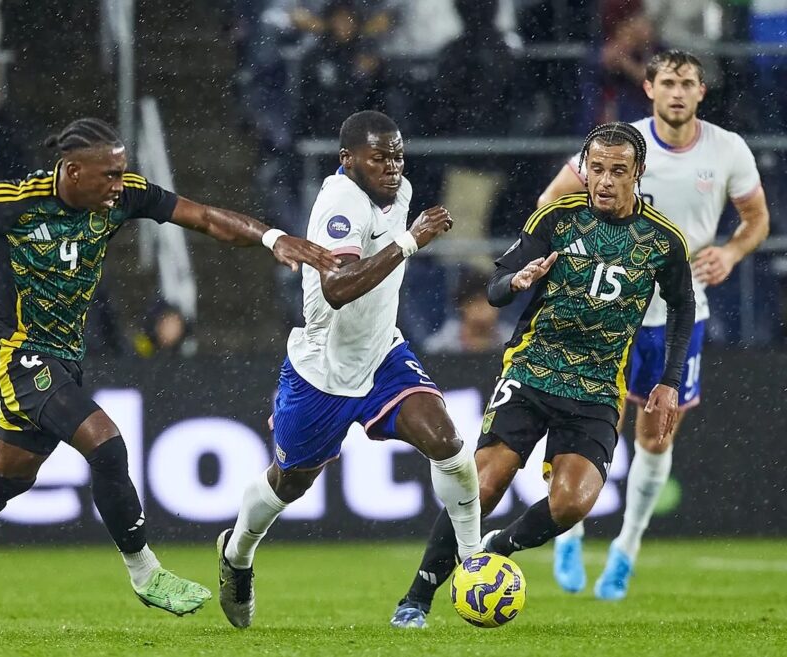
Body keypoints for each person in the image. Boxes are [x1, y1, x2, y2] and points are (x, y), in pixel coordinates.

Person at [0, 117, 339, 629]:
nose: (120, 185)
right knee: (106, 443)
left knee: (11, 474)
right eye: (109, 175)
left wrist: (272, 238)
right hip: (16, 351)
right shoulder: (17, 202)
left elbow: (203, 217)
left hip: (65, 355)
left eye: (122, 173)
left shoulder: (123, 196)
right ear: (72, 171)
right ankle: (145, 572)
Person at [390, 121, 695, 628]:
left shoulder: (663, 240)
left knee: (573, 503)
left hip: (598, 387)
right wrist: (519, 279)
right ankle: (416, 598)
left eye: (618, 171)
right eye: (596, 168)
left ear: (637, 173)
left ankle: (494, 549)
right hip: (533, 371)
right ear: (583, 168)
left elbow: (682, 308)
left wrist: (668, 381)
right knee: (482, 488)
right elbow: (494, 289)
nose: (605, 181)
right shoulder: (557, 219)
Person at [215, 110, 482, 629]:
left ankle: (473, 567)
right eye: (379, 157)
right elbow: (336, 289)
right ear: (347, 160)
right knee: (289, 485)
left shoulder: (398, 192)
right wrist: (411, 241)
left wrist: (408, 236)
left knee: (448, 443)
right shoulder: (339, 203)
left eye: (397, 155)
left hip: (382, 354)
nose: (391, 166)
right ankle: (238, 553)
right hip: (323, 373)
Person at [537, 50, 769, 600]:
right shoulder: (621, 149)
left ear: (701, 93)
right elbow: (551, 201)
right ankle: (568, 533)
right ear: (649, 88)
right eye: (668, 82)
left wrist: (732, 254)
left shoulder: (727, 149)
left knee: (654, 437)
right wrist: (590, 257)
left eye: (688, 83)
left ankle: (626, 550)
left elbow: (757, 219)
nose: (678, 92)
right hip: (608, 314)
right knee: (590, 430)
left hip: (678, 317)